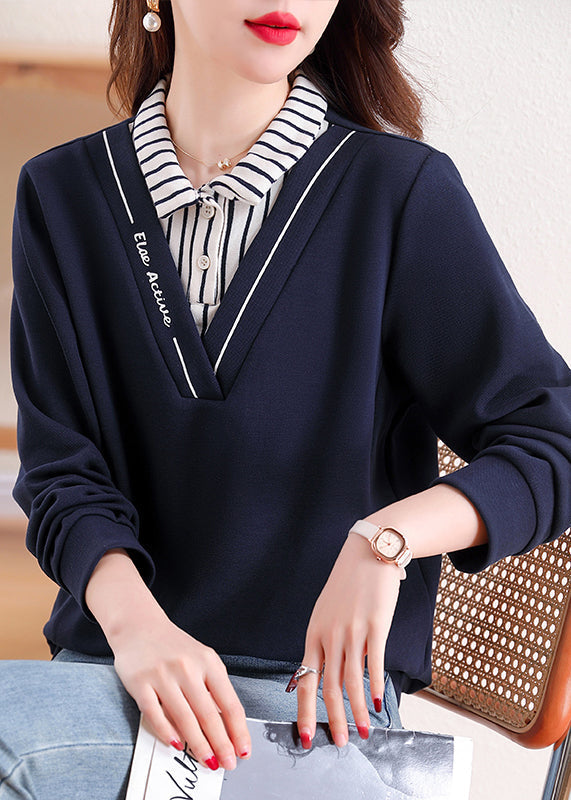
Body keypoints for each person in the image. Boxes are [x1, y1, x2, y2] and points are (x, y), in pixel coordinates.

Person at [1, 0, 569, 797]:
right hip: (117, 674)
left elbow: (551, 441)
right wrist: (138, 632)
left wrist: (385, 540)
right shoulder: (62, 193)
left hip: (309, 707)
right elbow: (63, 473)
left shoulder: (397, 192)